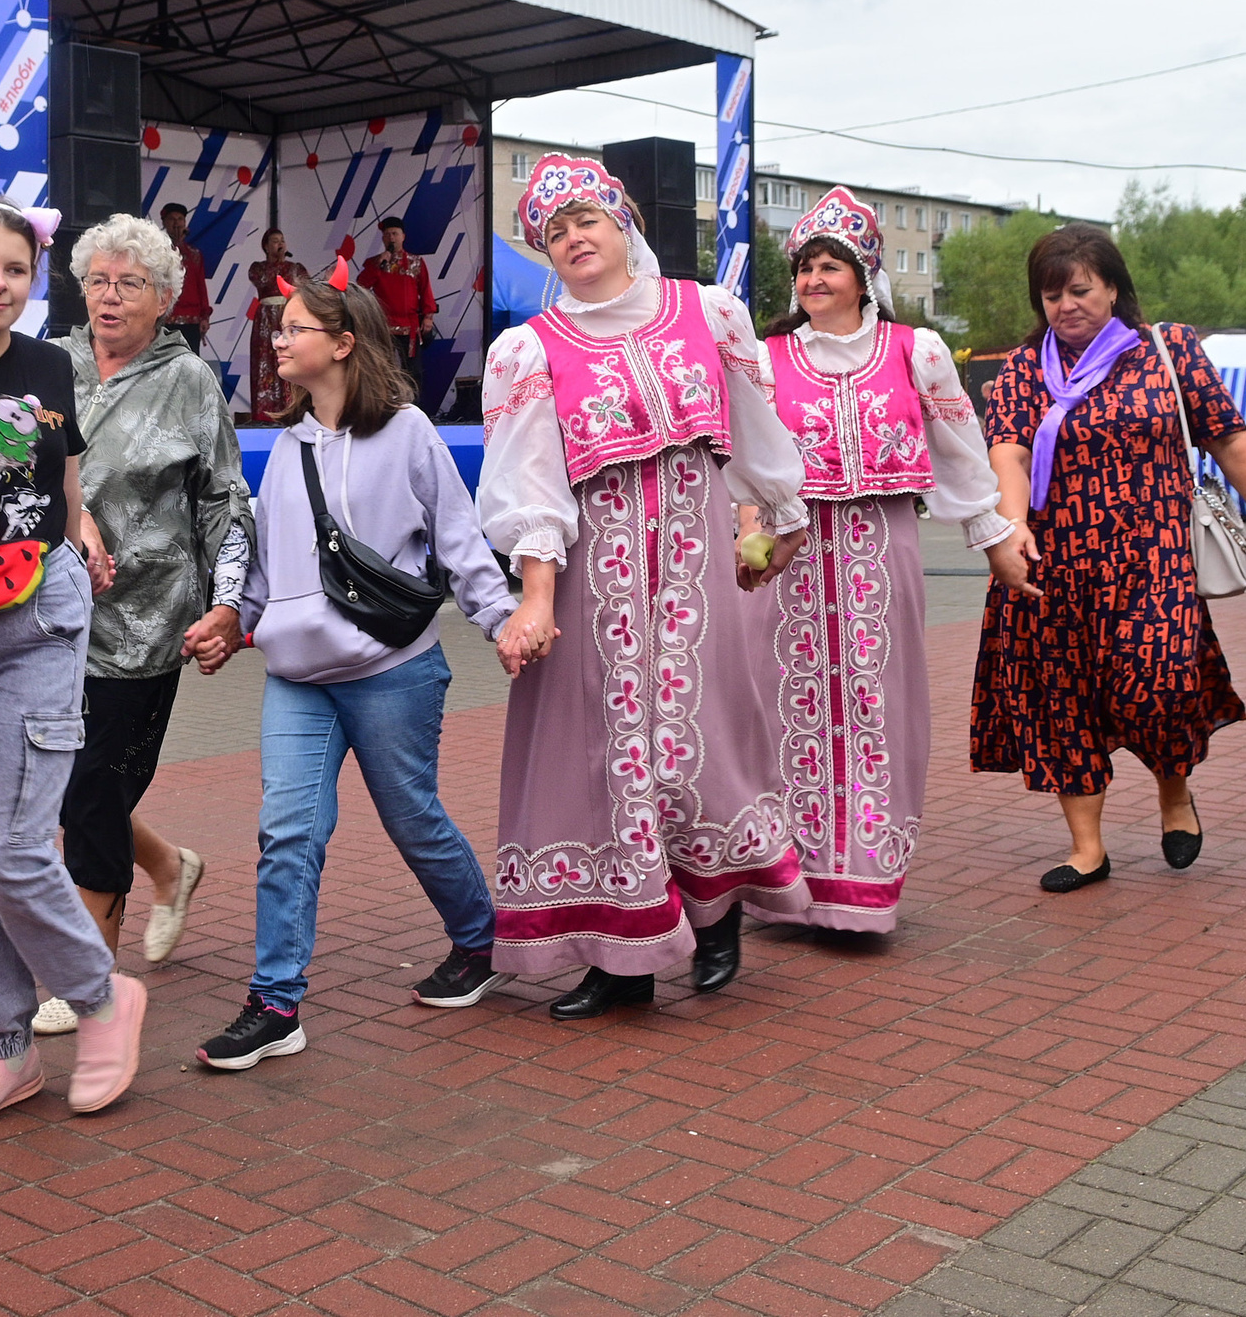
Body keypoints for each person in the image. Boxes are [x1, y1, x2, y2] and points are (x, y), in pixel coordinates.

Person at [477, 153, 812, 1020]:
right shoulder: (530, 350)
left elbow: (757, 432)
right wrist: (538, 595)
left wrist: (773, 522)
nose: (573, 237)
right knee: (605, 755)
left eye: (586, 218)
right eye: (554, 231)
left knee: (706, 741)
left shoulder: (709, 312)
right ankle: (622, 955)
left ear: (622, 223)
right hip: (600, 581)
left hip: (699, 567)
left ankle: (718, 910)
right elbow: (531, 485)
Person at [191, 262, 518, 1068]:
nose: (279, 338)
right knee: (287, 832)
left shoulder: (407, 431)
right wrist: (235, 620)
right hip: (297, 678)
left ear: (343, 343)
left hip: (391, 667)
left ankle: (480, 940)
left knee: (412, 817)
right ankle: (275, 1002)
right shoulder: (288, 445)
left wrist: (504, 625)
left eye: (294, 327)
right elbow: (270, 570)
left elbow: (460, 542)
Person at [971, 225, 1246, 892]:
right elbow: (1008, 448)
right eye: (1051, 294)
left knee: (1160, 685)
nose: (1066, 305)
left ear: (1114, 287)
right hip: (1054, 564)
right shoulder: (1023, 365)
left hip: (1151, 560)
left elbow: (1230, 438)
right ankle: (1088, 848)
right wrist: (1011, 527)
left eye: (1080, 289)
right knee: (1061, 702)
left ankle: (1173, 791)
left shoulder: (1167, 348)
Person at [0, 193, 150, 1133]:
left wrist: (81, 524)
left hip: (37, 618)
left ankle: (99, 997)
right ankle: (5, 1051)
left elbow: (61, 474)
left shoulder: (51, 361)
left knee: (10, 845)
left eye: (15, 268)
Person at [754, 189, 1013, 930]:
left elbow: (962, 456)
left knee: (877, 698)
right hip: (793, 554)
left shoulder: (916, 352)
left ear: (866, 274)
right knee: (788, 701)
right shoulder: (768, 361)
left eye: (830, 266)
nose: (814, 281)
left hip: (880, 543)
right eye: (805, 268)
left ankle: (865, 881)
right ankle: (793, 880)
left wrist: (993, 539)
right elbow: (743, 459)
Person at [26, 215, 253, 1037]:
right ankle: (167, 863)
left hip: (147, 625)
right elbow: (14, 464)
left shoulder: (188, 378)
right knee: (68, 784)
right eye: (98, 279)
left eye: (130, 283)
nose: (110, 295)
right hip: (46, 614)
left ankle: (88, 977)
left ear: (164, 297)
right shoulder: (52, 361)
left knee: (90, 790)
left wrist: (229, 604)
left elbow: (225, 498)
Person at [360, 215, 439, 398]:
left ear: (403, 236)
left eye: (395, 234)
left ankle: (413, 408)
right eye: (387, 235)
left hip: (409, 325)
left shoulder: (415, 262)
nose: (391, 238)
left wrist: (428, 316)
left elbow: (426, 289)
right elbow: (362, 285)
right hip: (383, 326)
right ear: (383, 238)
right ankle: (383, 406)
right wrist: (379, 264)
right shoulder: (375, 263)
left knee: (413, 370)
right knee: (382, 369)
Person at [247, 227, 303, 419]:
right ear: (265, 246)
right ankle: (264, 414)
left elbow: (306, 288)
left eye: (282, 240)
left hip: (287, 317)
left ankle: (290, 409)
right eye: (275, 241)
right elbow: (265, 282)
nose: (280, 244)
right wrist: (277, 263)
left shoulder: (296, 268)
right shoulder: (258, 268)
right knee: (265, 363)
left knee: (289, 359)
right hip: (265, 320)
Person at [159, 203, 210, 357]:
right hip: (166, 318)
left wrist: (204, 316)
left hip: (192, 320)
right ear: (164, 223)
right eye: (172, 219)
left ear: (185, 223)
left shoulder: (194, 254)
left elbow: (201, 286)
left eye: (180, 219)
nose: (176, 223)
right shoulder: (158, 253)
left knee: (191, 363)